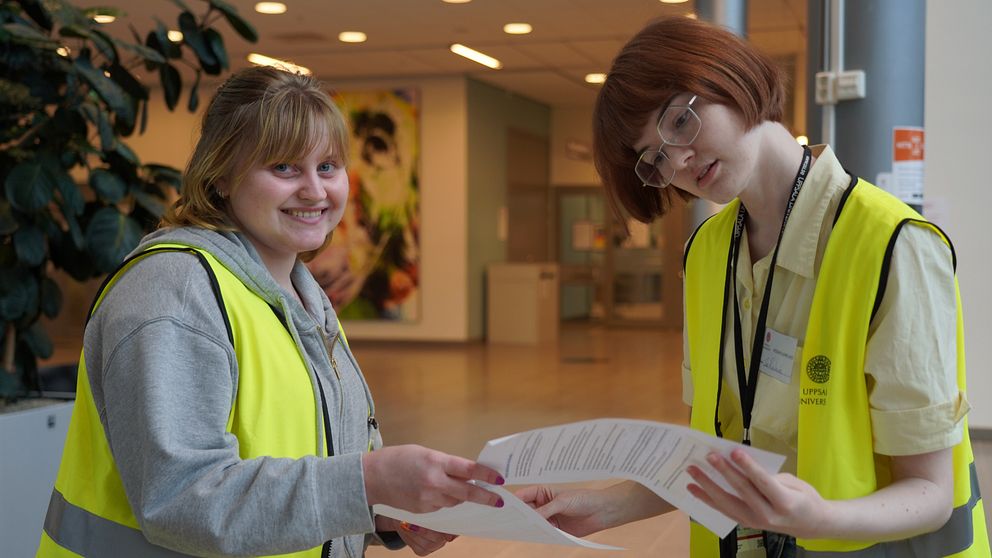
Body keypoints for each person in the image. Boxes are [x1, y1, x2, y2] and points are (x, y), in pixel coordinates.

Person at [518, 16, 989, 558]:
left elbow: (933, 491)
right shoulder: (708, 252)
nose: (679, 159)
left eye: (678, 123)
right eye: (654, 158)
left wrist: (816, 516)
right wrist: (609, 506)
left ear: (728, 78)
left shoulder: (893, 245)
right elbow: (722, 446)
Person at [38, 66, 504, 558]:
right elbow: (180, 499)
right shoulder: (173, 293)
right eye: (283, 167)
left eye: (328, 166)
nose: (315, 190)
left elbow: (309, 458)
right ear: (219, 174)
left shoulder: (301, 295)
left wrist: (383, 508)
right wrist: (368, 481)